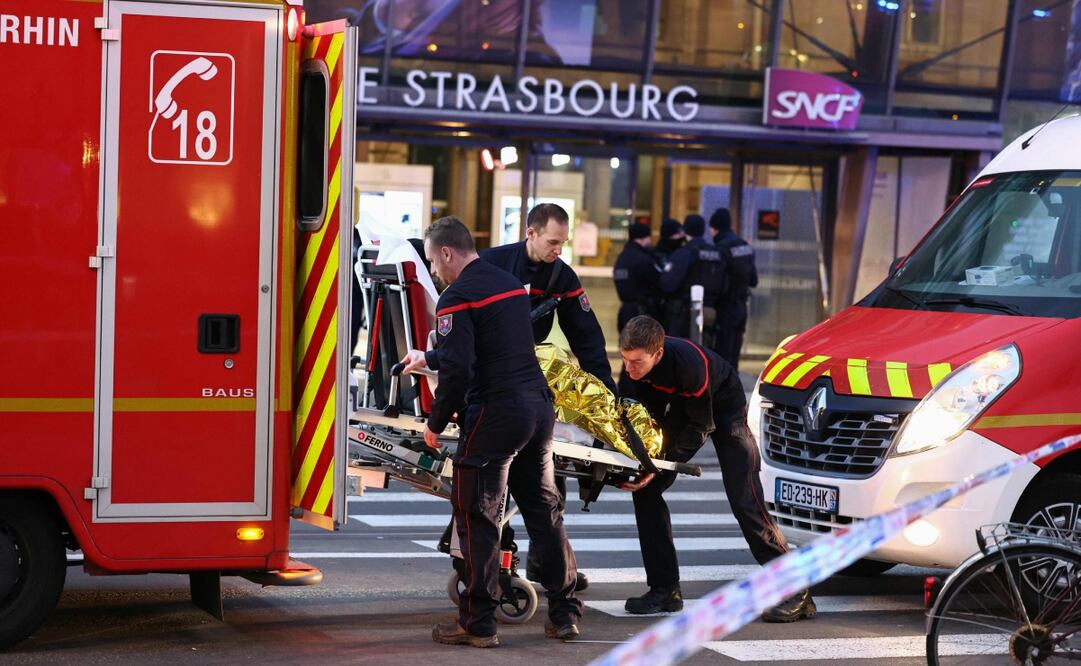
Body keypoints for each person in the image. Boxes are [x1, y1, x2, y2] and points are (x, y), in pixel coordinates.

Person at [401, 217, 582, 647]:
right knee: (544, 511)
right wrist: (428, 356)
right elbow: (493, 345)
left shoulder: (457, 296)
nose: (435, 271)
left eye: (433, 262)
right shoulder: (508, 284)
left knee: (478, 514)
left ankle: (478, 622)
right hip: (537, 410)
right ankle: (564, 613)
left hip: (496, 414)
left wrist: (435, 422)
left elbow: (460, 370)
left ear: (447, 253)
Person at [616, 315, 816, 622]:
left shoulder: (690, 365)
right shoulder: (634, 368)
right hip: (680, 407)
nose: (629, 369)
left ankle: (796, 591)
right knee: (646, 490)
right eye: (625, 360)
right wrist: (640, 461)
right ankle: (665, 590)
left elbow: (702, 425)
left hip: (723, 406)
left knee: (744, 500)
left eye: (637, 362)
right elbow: (637, 420)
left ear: (657, 354)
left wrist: (661, 464)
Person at [482, 202, 614, 590]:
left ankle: (546, 564)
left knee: (550, 478)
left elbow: (587, 338)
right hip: (492, 385)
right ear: (531, 233)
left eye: (563, 243)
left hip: (531, 385)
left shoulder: (561, 276)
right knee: (498, 484)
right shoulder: (493, 265)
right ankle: (499, 562)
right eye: (553, 242)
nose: (558, 249)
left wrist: (608, 396)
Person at [658, 214, 727, 343]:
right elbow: (724, 284)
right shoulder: (717, 253)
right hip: (710, 313)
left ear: (685, 231)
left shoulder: (684, 253)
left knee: (680, 351)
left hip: (684, 315)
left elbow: (667, 284)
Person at [708, 208, 758, 370]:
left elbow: (717, 283)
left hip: (725, 307)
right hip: (742, 307)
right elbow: (753, 280)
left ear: (715, 228)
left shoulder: (721, 249)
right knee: (735, 352)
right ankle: (733, 382)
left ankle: (723, 384)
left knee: (722, 353)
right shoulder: (745, 246)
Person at [613, 222, 662, 332]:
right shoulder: (643, 259)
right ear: (643, 238)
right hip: (641, 314)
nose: (650, 241)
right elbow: (659, 281)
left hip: (625, 312)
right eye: (649, 238)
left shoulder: (622, 258)